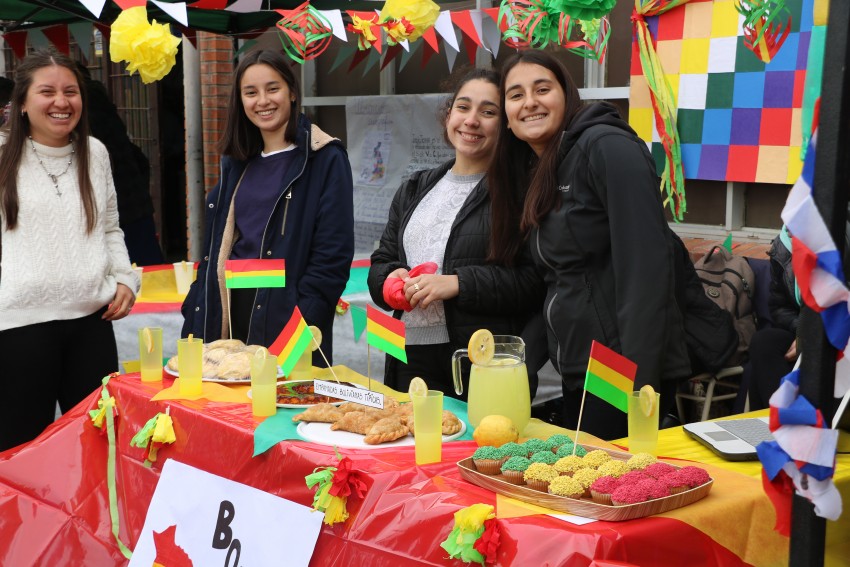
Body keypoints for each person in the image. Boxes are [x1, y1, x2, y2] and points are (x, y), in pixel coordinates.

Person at [488, 51, 691, 439]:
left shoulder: (607, 147)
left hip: (619, 370)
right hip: (578, 366)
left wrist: (637, 383)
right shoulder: (544, 168)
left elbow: (646, 268)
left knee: (610, 488)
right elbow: (560, 282)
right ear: (508, 119)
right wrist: (518, 359)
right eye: (515, 95)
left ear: (567, 95)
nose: (529, 101)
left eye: (542, 89)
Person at [368, 68, 543, 398]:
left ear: (505, 124)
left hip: (479, 358)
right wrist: (390, 282)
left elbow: (534, 282)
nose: (472, 120)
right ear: (449, 114)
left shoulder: (520, 193)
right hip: (408, 353)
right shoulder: (414, 187)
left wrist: (458, 283)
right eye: (463, 107)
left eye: (488, 111)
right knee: (411, 446)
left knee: (479, 450)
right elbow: (382, 261)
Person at [0, 50, 139, 451]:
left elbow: (110, 226)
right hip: (18, 331)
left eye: (71, 92)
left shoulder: (94, 153)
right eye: (47, 92)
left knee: (99, 448)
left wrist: (124, 278)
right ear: (22, 103)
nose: (61, 102)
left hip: (92, 325)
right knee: (19, 453)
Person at [181, 50, 354, 366]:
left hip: (288, 314)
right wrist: (196, 305)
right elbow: (214, 251)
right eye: (251, 92)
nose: (263, 101)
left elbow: (333, 257)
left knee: (277, 409)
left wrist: (303, 323)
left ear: (291, 91)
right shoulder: (236, 162)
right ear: (241, 100)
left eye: (272, 88)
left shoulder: (325, 158)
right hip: (228, 311)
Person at [76, 64, 163, 266]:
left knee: (129, 271)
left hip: (115, 210)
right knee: (147, 270)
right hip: (135, 204)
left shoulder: (86, 120)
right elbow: (140, 160)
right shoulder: (103, 109)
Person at [745, 226, 799, 410]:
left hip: (837, 332)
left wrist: (812, 337)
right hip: (802, 328)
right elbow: (779, 306)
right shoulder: (784, 245)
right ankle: (773, 423)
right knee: (764, 343)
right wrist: (802, 330)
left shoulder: (839, 243)